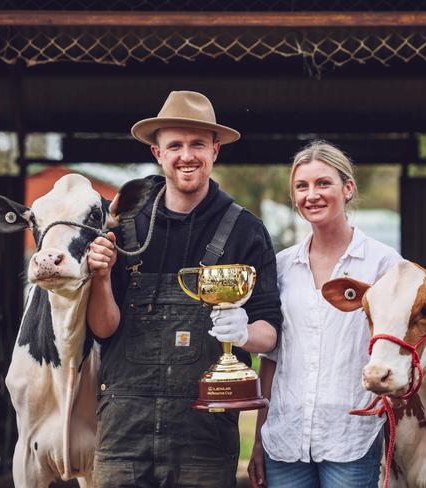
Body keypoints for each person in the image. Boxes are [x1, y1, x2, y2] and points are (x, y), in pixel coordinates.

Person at [86, 90, 282, 488]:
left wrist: (244, 332)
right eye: (175, 145)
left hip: (204, 435)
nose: (186, 155)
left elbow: (270, 333)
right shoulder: (125, 226)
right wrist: (102, 278)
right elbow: (104, 330)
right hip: (124, 432)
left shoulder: (246, 231)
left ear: (215, 150)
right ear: (158, 154)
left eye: (197, 144)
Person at [248, 140, 402, 488]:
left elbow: (395, 353)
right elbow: (271, 358)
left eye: (323, 183)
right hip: (285, 439)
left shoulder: (382, 263)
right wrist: (259, 438)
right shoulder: (282, 266)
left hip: (351, 438)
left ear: (348, 188)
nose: (311, 195)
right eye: (301, 186)